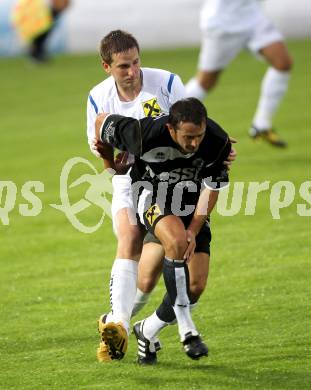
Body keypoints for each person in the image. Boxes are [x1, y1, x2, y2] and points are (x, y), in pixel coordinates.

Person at [95, 97, 232, 362]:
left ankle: (145, 330)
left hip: (191, 206)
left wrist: (194, 229)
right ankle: (186, 329)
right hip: (150, 196)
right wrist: (109, 164)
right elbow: (101, 123)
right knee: (176, 244)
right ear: (171, 129)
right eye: (188, 137)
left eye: (199, 136)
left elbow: (212, 189)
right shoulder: (143, 134)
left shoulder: (217, 140)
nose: (194, 144)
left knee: (195, 285)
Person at [87, 30, 187, 362]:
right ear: (107, 66)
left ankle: (118, 325)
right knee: (129, 234)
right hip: (129, 179)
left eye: (136, 63)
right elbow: (99, 142)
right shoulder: (98, 97)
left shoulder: (168, 83)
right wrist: (108, 163)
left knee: (149, 273)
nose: (132, 72)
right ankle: (118, 324)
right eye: (123, 67)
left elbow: (190, 127)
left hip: (169, 180)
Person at [186, 0, 293, 147]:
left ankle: (261, 125)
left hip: (253, 17)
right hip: (223, 22)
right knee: (206, 82)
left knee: (283, 63)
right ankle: (168, 116)